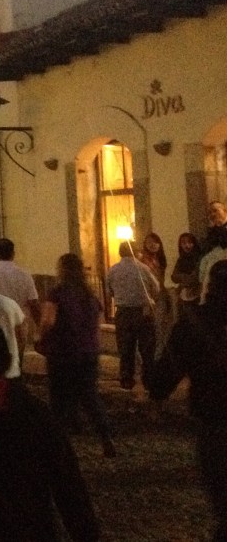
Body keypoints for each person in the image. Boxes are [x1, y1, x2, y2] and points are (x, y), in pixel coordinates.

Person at [0, 323, 100, 542]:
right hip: (33, 528)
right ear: (9, 360)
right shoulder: (36, 413)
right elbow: (67, 480)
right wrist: (85, 532)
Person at [148, 260, 227, 542]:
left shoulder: (194, 323)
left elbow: (164, 374)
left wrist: (155, 389)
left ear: (208, 287)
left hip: (215, 422)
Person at [38, 253, 115, 457]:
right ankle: (105, 436)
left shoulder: (57, 293)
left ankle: (58, 444)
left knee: (59, 398)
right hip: (88, 352)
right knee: (89, 395)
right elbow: (98, 325)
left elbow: (48, 321)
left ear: (62, 270)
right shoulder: (90, 295)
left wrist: (40, 337)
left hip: (62, 352)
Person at [105, 240, 160, 390]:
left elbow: (109, 291)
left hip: (123, 312)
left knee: (125, 348)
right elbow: (156, 288)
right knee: (147, 349)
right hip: (143, 311)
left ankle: (126, 379)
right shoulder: (143, 268)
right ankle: (149, 380)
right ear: (136, 252)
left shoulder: (113, 270)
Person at [0, 238, 42, 328]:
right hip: (19, 324)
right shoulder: (25, 275)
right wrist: (39, 326)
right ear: (13, 254)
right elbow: (33, 303)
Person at [199, 201, 227, 302]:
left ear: (225, 211)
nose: (213, 214)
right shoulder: (213, 229)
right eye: (210, 212)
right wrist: (213, 229)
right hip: (217, 262)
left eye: (215, 210)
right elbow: (209, 247)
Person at [171, 231, 203, 320]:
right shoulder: (181, 259)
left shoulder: (199, 258)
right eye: (183, 243)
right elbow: (174, 276)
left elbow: (194, 277)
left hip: (197, 295)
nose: (187, 245)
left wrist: (182, 280)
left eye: (189, 242)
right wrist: (183, 278)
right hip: (184, 295)